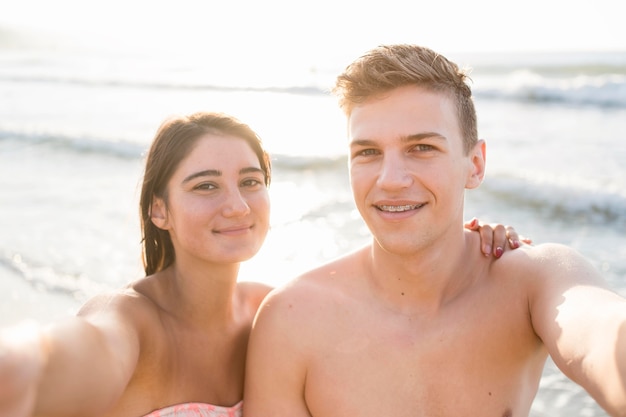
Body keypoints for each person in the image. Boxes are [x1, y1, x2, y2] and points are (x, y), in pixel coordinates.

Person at [0, 111, 523, 417]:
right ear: (159, 209)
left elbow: (390, 319)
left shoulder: (273, 310)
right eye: (205, 185)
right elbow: (58, 361)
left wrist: (466, 254)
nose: (236, 204)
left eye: (250, 182)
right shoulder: (129, 321)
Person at [244, 44, 626, 417]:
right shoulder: (292, 320)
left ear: (474, 165)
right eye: (367, 152)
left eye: (422, 148)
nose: (390, 180)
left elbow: (599, 337)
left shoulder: (532, 280)